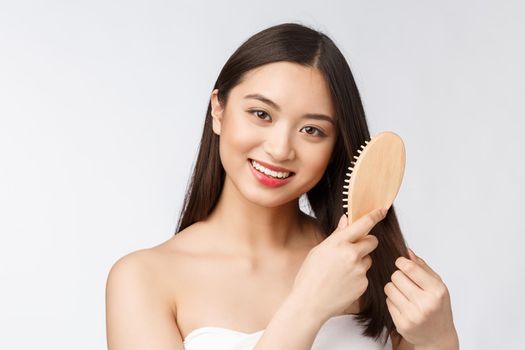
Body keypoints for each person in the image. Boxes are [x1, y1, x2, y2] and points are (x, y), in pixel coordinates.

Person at [105, 22, 459, 350]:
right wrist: (308, 306)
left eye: (312, 130)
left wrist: (439, 338)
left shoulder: (365, 261)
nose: (280, 149)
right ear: (218, 110)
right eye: (261, 114)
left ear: (336, 145)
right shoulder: (144, 280)